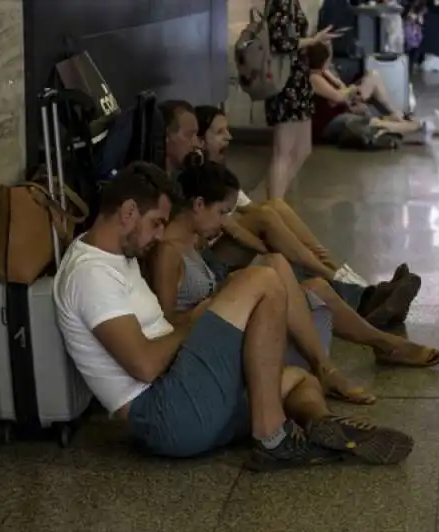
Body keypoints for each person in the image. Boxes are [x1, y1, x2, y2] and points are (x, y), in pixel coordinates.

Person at [53, 161, 415, 470]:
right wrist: (200, 320)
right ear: (128, 212)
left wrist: (199, 319)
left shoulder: (118, 258)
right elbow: (144, 365)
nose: (161, 234)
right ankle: (273, 438)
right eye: (157, 222)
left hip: (183, 389)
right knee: (261, 279)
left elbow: (156, 334)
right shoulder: (90, 274)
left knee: (297, 380)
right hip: (165, 413)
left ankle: (319, 425)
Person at [147, 156, 439, 402]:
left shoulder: (193, 242)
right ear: (198, 205)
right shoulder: (168, 253)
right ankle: (330, 366)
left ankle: (382, 344)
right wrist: (219, 302)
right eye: (222, 212)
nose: (226, 221)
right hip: (211, 340)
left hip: (225, 323)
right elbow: (167, 321)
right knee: (275, 263)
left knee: (315, 287)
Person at [190, 104, 425, 329]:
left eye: (228, 130)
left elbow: (253, 210)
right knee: (272, 226)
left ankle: (360, 287)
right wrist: (276, 246)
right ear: (200, 141)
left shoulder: (217, 175)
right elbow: (235, 228)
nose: (229, 137)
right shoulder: (198, 180)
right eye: (220, 132)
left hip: (218, 255)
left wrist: (292, 243)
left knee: (276, 208)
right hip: (205, 268)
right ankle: (358, 291)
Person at [306, 42, 439, 144]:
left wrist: (347, 92)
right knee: (376, 123)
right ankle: (426, 126)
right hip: (331, 123)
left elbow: (340, 90)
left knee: (374, 87)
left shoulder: (323, 72)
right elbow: (337, 97)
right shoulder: (313, 77)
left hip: (342, 111)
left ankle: (423, 124)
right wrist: (351, 92)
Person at [265, 0, 341, 198]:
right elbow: (281, 42)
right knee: (283, 150)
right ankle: (273, 205)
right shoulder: (281, 2)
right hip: (286, 82)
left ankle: (276, 201)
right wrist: (313, 40)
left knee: (302, 149)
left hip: (298, 79)